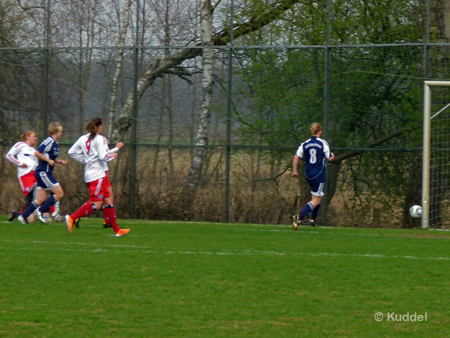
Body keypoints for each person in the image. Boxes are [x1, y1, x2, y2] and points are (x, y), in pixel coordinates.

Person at [66, 117, 129, 237]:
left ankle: (117, 230)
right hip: (97, 175)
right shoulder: (100, 139)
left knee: (108, 200)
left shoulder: (83, 138)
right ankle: (72, 218)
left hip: (91, 174)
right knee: (97, 204)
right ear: (100, 126)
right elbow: (102, 157)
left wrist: (85, 160)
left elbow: (71, 152)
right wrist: (113, 156)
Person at [17, 122, 67, 224]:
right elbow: (37, 152)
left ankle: (23, 217)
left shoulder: (55, 143)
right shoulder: (48, 141)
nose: (61, 134)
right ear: (56, 132)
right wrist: (48, 161)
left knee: (40, 199)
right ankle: (40, 211)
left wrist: (59, 161)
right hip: (43, 173)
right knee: (60, 193)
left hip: (44, 173)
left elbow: (50, 157)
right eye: (60, 132)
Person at [292, 122, 334, 230]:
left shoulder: (305, 143)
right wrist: (332, 155)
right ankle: (299, 217)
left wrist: (295, 171)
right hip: (319, 174)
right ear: (320, 131)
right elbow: (329, 158)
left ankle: (313, 220)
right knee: (316, 200)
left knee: (317, 196)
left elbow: (296, 157)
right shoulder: (322, 143)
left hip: (308, 174)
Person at [6, 131, 38, 223]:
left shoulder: (33, 150)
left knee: (36, 195)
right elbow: (9, 155)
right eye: (34, 136)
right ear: (28, 137)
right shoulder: (20, 145)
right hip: (24, 175)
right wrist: (20, 163)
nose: (35, 138)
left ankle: (21, 215)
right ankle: (22, 215)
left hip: (34, 174)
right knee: (29, 194)